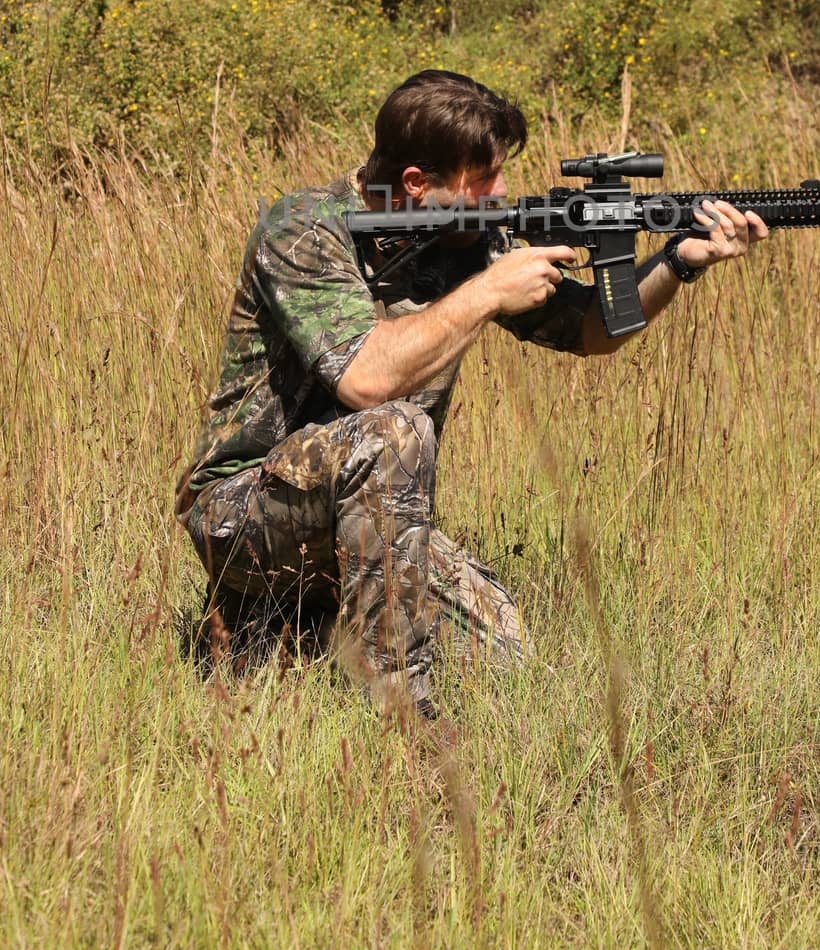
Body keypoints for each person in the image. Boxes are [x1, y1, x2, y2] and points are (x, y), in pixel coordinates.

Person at [177, 70, 767, 718]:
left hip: (373, 522)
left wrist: (678, 262)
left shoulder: (467, 237)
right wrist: (488, 292)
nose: (501, 191)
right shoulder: (302, 230)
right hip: (245, 514)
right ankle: (402, 713)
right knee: (393, 427)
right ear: (413, 183)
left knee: (502, 660)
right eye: (482, 178)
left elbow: (594, 332)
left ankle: (288, 631)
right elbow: (366, 380)